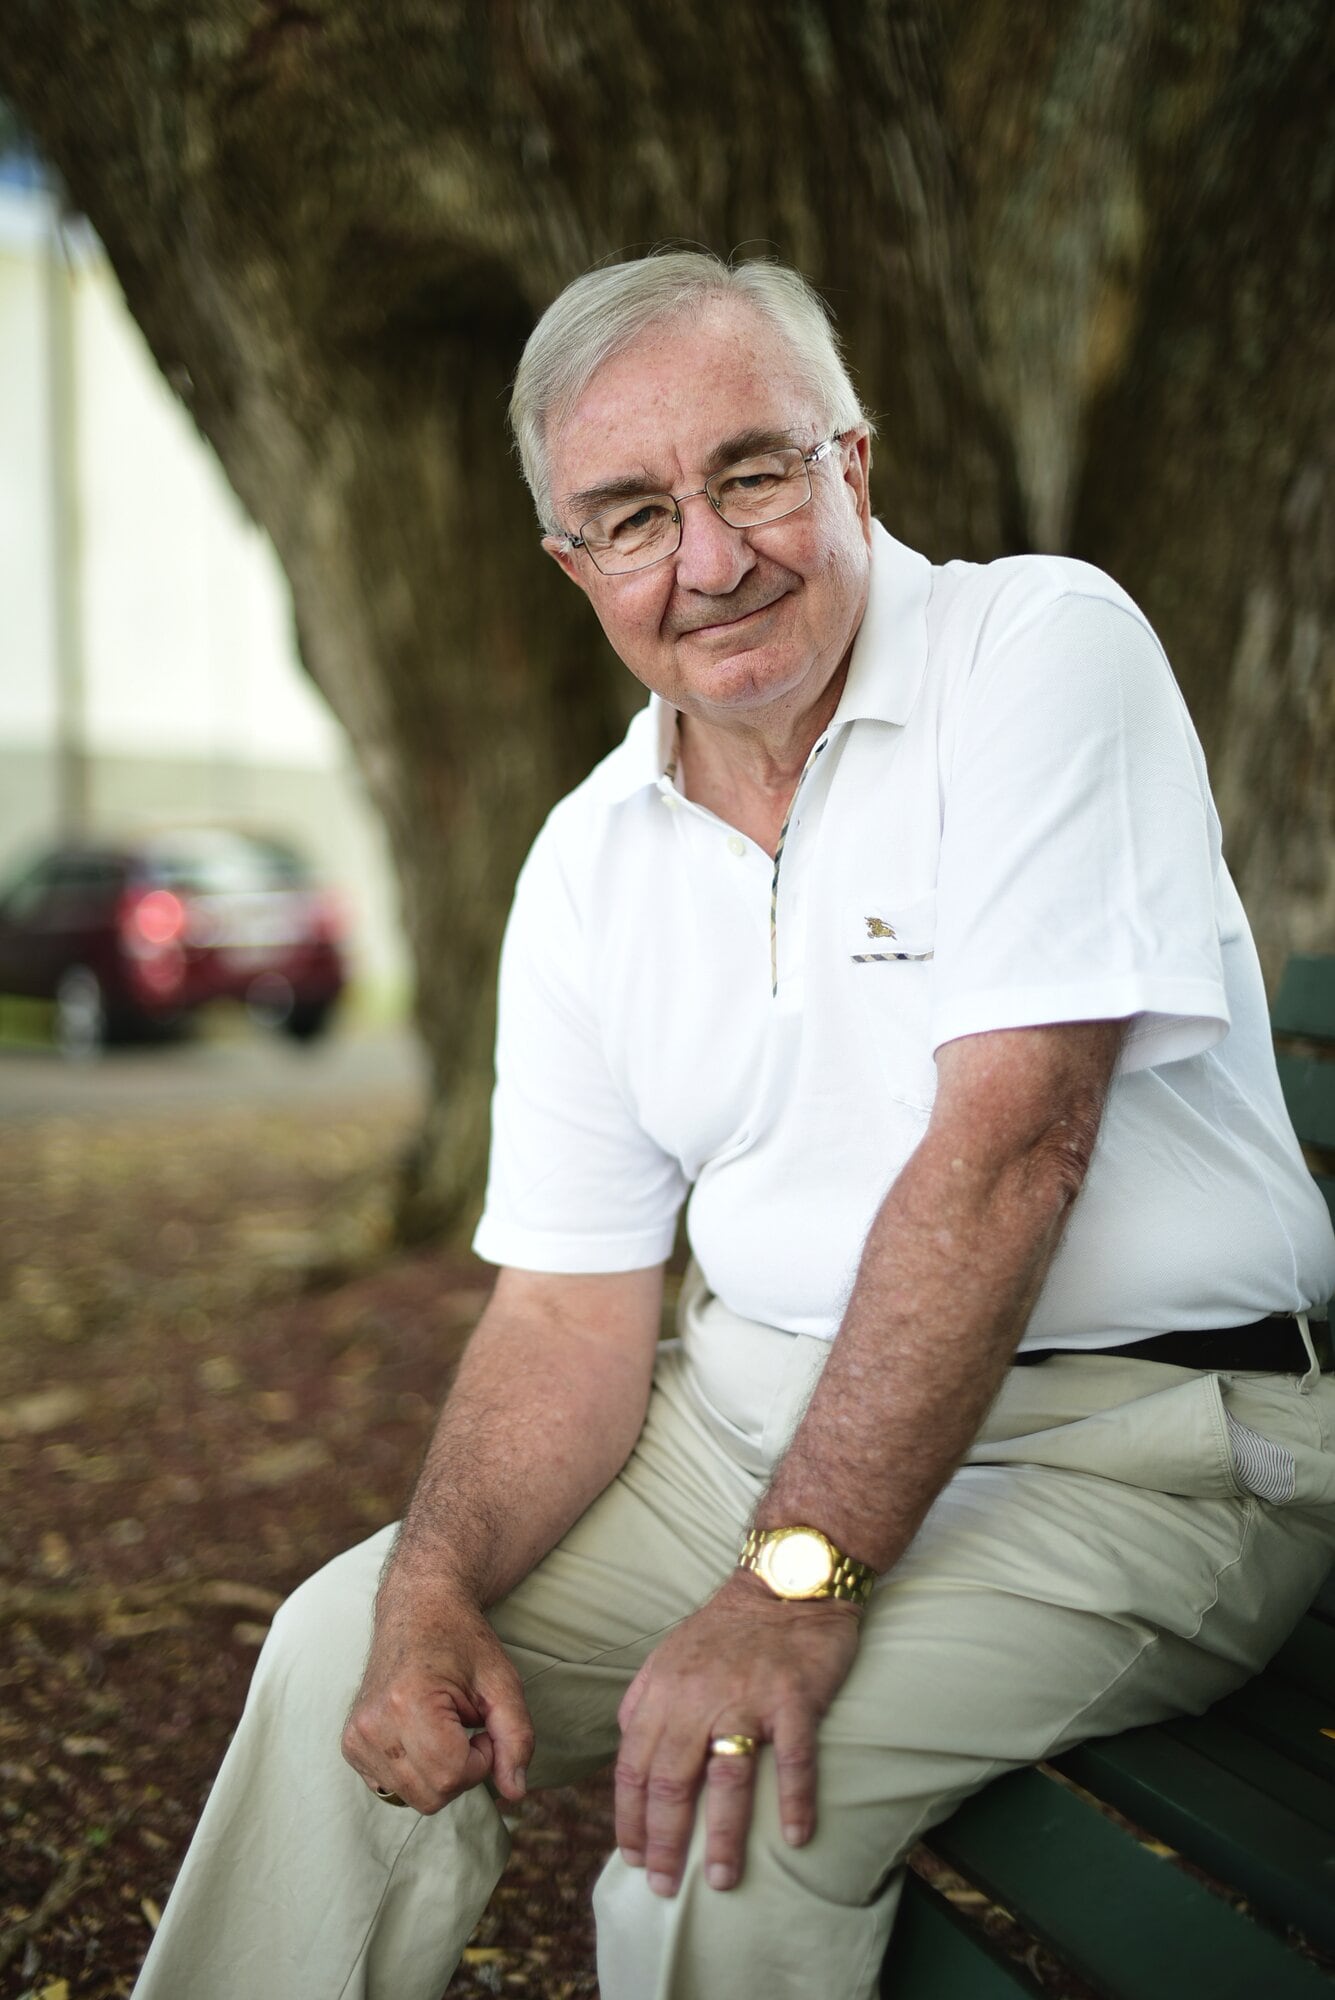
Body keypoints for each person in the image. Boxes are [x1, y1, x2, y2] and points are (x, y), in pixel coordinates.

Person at [132, 250, 1335, 2000]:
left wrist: (790, 1583)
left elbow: (1014, 1151)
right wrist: (434, 1581)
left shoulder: (1038, 649)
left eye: (751, 472)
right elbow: (566, 1308)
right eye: (629, 516)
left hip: (1137, 1448)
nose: (708, 561)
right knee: (347, 1658)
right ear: (572, 566)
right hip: (755, 1426)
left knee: (723, 1809)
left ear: (855, 464)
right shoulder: (587, 859)